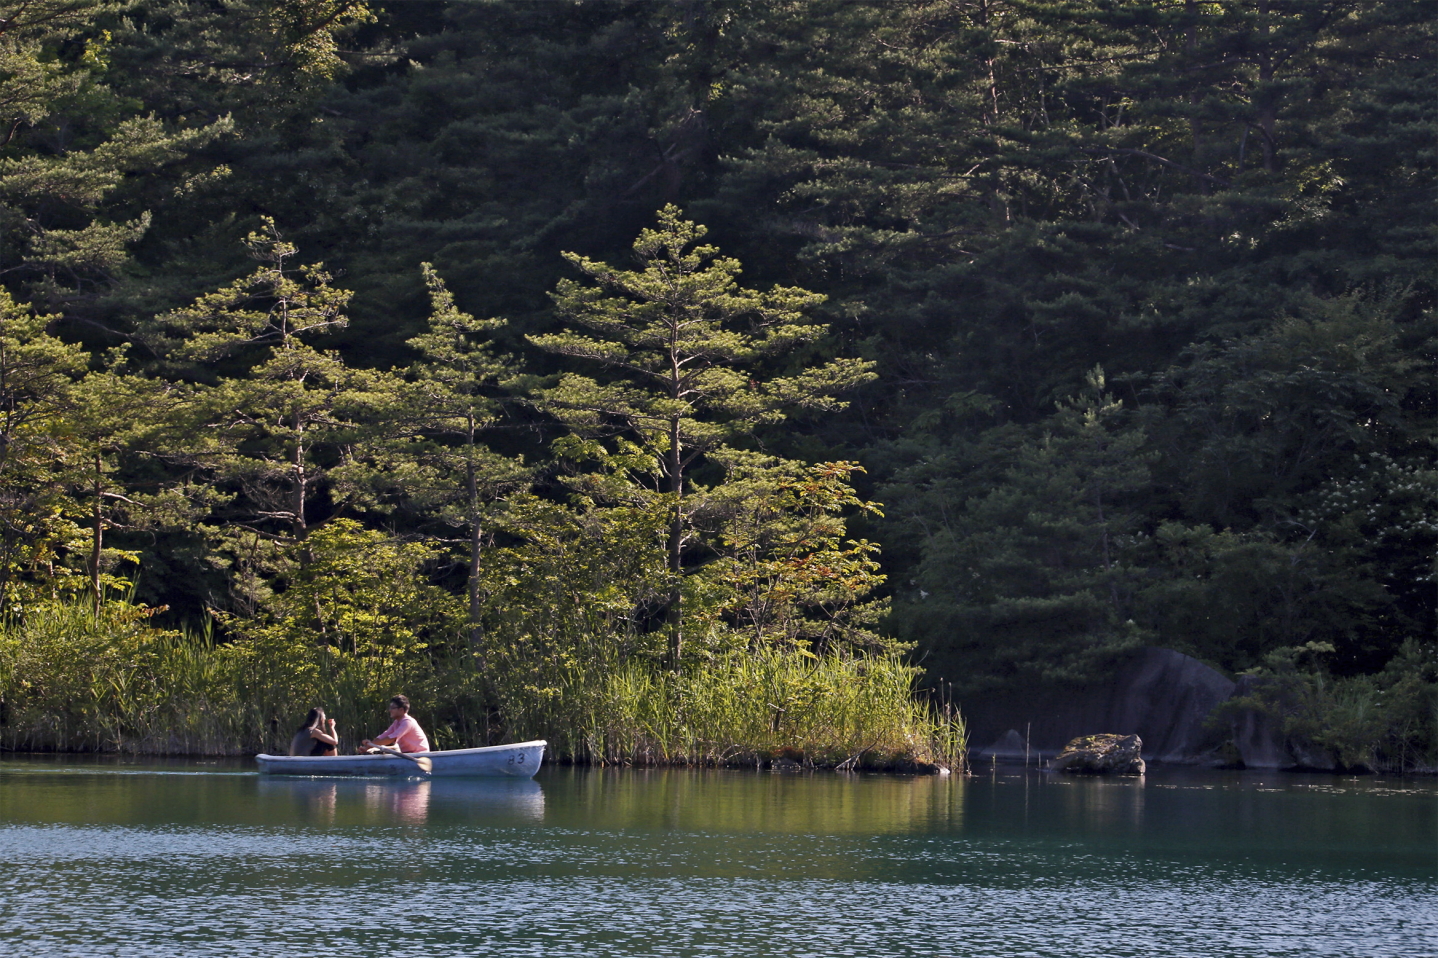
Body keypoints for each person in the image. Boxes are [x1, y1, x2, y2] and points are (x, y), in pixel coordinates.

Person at [358, 695, 431, 754]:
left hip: (420, 755)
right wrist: (367, 747)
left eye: (392, 708)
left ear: (401, 710)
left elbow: (391, 739)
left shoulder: (407, 722)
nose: (390, 710)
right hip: (408, 754)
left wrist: (371, 743)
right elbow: (385, 735)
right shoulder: (397, 722)